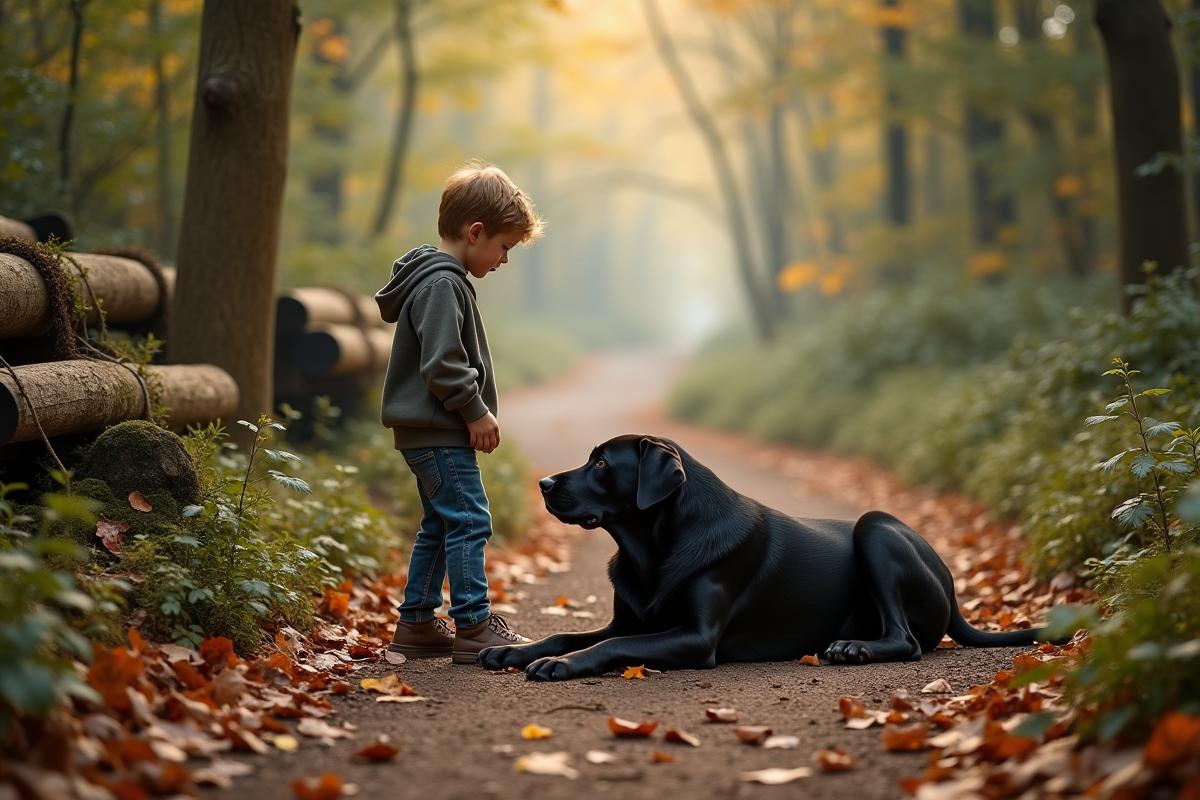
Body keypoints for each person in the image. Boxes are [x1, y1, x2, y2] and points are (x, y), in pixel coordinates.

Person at [376, 160, 543, 665]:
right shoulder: (441, 284)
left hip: (428, 432)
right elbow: (443, 364)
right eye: (504, 246)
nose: (505, 259)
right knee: (470, 519)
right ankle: (472, 625)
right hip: (440, 430)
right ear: (476, 232)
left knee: (441, 523)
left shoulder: (435, 280)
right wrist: (475, 411)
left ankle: (418, 623)